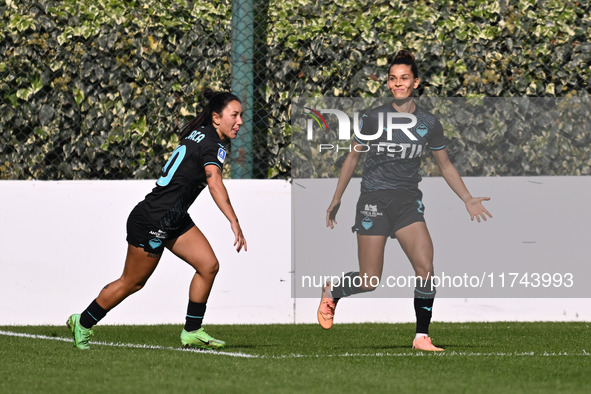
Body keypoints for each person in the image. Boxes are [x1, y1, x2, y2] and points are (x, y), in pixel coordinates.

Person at [317, 50, 492, 351]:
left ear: (415, 83)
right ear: (388, 84)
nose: (398, 84)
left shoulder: (428, 122)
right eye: (393, 79)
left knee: (425, 267)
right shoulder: (374, 118)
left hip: (408, 203)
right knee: (370, 280)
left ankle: (421, 336)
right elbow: (353, 157)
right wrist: (337, 198)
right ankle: (334, 291)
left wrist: (466, 198)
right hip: (373, 201)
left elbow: (445, 164)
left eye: (404, 79)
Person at [67, 88, 247, 350]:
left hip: (172, 218)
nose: (240, 121)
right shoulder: (212, 143)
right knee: (132, 282)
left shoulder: (200, 135)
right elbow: (214, 182)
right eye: (235, 115)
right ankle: (82, 322)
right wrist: (233, 220)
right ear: (216, 118)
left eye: (241, 115)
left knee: (208, 266)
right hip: (154, 220)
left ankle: (192, 331)